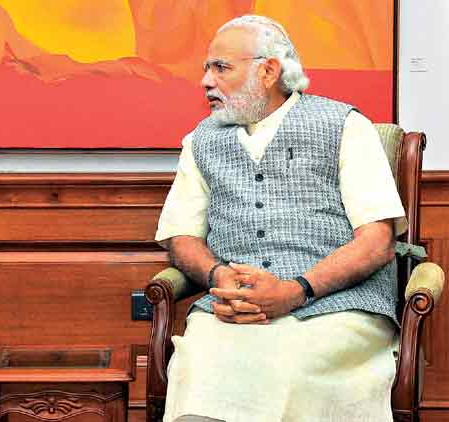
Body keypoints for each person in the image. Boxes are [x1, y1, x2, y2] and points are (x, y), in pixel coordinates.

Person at [155, 15, 405, 422]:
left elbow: (377, 243)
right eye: (207, 68)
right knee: (201, 364)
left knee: (288, 366)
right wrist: (219, 276)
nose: (206, 81)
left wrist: (295, 291)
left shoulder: (345, 126)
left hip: (335, 309)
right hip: (233, 311)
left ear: (268, 71)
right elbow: (181, 236)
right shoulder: (200, 141)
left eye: (221, 68)